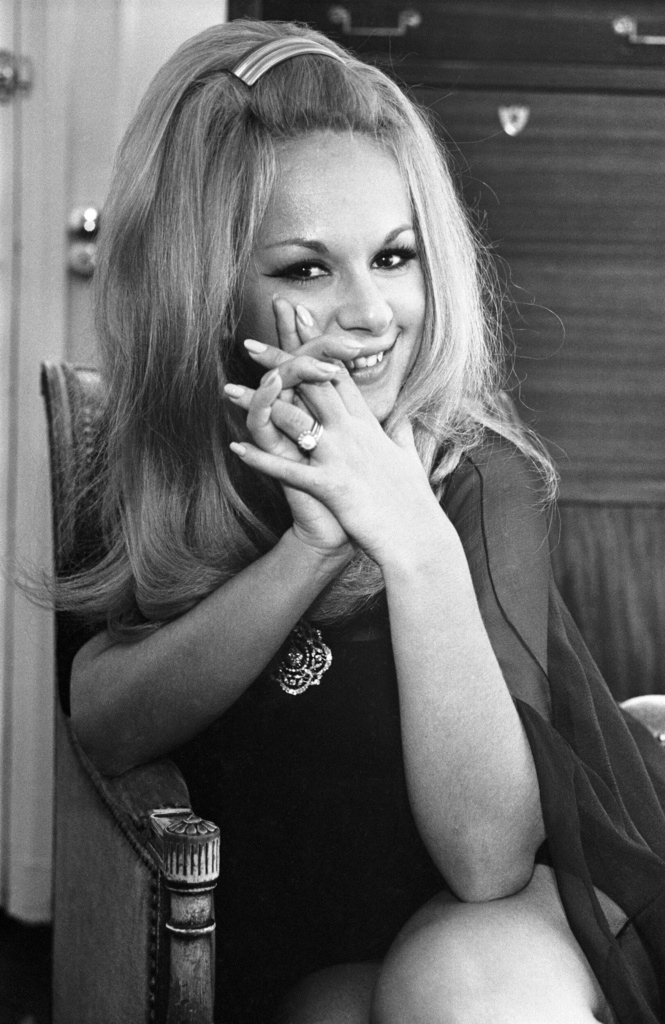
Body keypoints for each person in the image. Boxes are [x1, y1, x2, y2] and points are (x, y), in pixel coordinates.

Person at [57, 19, 665, 1024]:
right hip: (306, 941)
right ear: (212, 291)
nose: (372, 313)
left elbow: (488, 859)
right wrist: (311, 545)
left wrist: (412, 538)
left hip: (519, 909)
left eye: (393, 256)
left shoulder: (481, 475)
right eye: (305, 268)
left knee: (458, 988)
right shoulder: (162, 460)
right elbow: (105, 725)